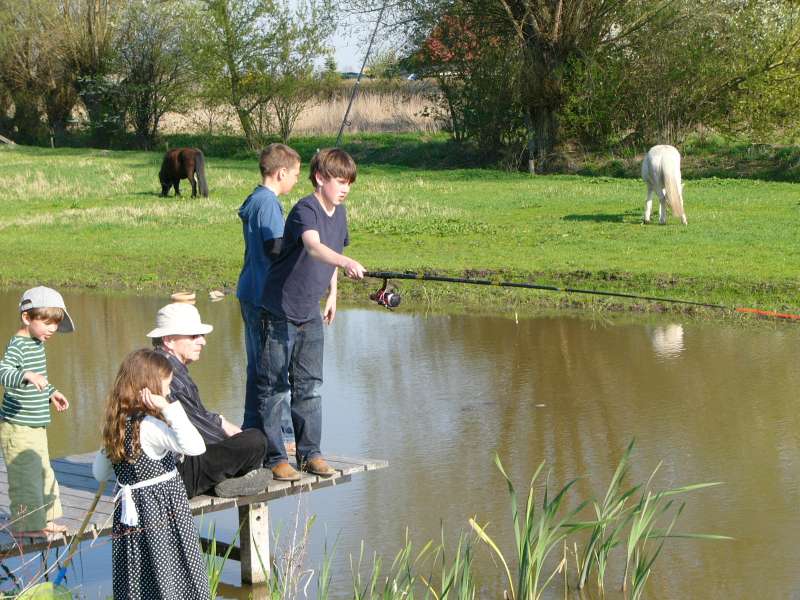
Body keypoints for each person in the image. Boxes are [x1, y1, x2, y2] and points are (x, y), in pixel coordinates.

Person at [258, 148, 366, 481]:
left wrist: (333, 293)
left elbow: (331, 255)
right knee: (275, 388)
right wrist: (346, 263)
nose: (345, 188)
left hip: (310, 312)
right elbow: (314, 247)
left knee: (310, 387)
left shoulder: (341, 212)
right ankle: (275, 457)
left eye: (349, 182)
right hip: (279, 311)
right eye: (339, 181)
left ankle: (311, 455)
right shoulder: (306, 208)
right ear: (320, 178)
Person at [92, 349, 210, 599]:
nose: (169, 393)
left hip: (130, 516)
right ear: (151, 389)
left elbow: (99, 474)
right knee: (173, 572)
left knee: (138, 575)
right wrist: (169, 409)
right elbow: (196, 446)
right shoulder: (150, 426)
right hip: (162, 512)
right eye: (166, 388)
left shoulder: (116, 425)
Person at [147, 302, 270, 498]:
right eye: (194, 336)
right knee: (256, 440)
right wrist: (234, 444)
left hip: (167, 467)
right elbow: (195, 430)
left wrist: (220, 421)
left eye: (201, 336)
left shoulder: (156, 366)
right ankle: (228, 480)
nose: (202, 341)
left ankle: (232, 477)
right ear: (169, 340)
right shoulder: (168, 377)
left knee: (245, 440)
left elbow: (195, 415)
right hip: (180, 474)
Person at [236, 143, 301, 452]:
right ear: (281, 173)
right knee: (275, 369)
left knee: (257, 366)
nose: (298, 181)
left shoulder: (254, 199)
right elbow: (274, 248)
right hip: (263, 296)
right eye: (296, 174)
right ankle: (284, 436)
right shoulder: (269, 204)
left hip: (249, 290)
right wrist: (302, 245)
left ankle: (252, 429)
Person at [0, 286, 75, 539]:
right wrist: (26, 375)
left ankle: (45, 519)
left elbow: (39, 378)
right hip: (17, 424)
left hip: (36, 423)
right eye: (47, 322)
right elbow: (4, 372)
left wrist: (52, 392)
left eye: (56, 323)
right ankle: (24, 525)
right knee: (24, 473)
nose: (52, 329)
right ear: (26, 318)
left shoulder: (36, 342)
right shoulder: (18, 344)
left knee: (43, 470)